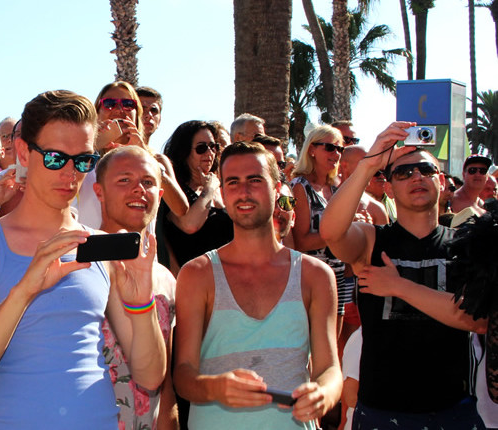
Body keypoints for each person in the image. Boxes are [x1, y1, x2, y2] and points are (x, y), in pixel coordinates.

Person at [0, 89, 166, 429]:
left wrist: (142, 304)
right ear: (23, 152)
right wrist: (24, 291)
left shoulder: (99, 247)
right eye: (55, 158)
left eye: (83, 161)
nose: (70, 173)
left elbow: (150, 377)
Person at [319, 121, 486, 428]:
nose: (416, 177)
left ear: (441, 181)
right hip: (381, 411)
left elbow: (475, 319)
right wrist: (369, 165)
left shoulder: (465, 243)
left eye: (425, 170)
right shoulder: (371, 240)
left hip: (452, 409)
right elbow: (330, 231)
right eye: (403, 173)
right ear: (389, 188)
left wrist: (398, 286)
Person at [173, 142, 341, 429]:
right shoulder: (197, 274)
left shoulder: (315, 275)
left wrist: (322, 395)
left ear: (277, 190)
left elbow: (329, 368)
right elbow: (183, 375)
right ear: (223, 193)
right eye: (233, 183)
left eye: (254, 180)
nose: (244, 191)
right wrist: (215, 388)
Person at [93, 146, 179, 429]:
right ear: (99, 191)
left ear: (160, 196)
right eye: (124, 180)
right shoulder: (77, 265)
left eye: (148, 182)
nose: (138, 189)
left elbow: (166, 386)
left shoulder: (166, 279)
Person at [77, 81, 187, 229]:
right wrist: (93, 146)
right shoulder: (82, 160)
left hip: (140, 244)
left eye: (128, 104)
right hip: (90, 242)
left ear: (137, 114)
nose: (119, 109)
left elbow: (181, 210)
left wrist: (147, 159)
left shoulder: (155, 159)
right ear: (97, 113)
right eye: (109, 103)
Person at [290, 125, 350, 325]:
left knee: (335, 341)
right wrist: (339, 231)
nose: (336, 154)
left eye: (340, 149)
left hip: (338, 274)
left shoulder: (336, 188)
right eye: (330, 148)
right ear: (312, 150)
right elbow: (301, 242)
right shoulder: (300, 187)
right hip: (310, 276)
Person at [161, 120, 232, 272]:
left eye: (213, 147)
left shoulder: (221, 188)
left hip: (228, 275)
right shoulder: (176, 190)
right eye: (201, 148)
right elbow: (190, 225)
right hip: (193, 277)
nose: (209, 153)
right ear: (184, 152)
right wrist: (209, 189)